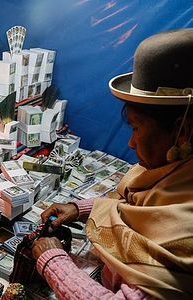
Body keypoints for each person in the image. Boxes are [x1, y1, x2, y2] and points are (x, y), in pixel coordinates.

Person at [32, 29, 193, 299]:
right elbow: (136, 206)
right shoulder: (171, 172)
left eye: (136, 128)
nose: (130, 143)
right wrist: (79, 208)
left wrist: (52, 261)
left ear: (183, 132)